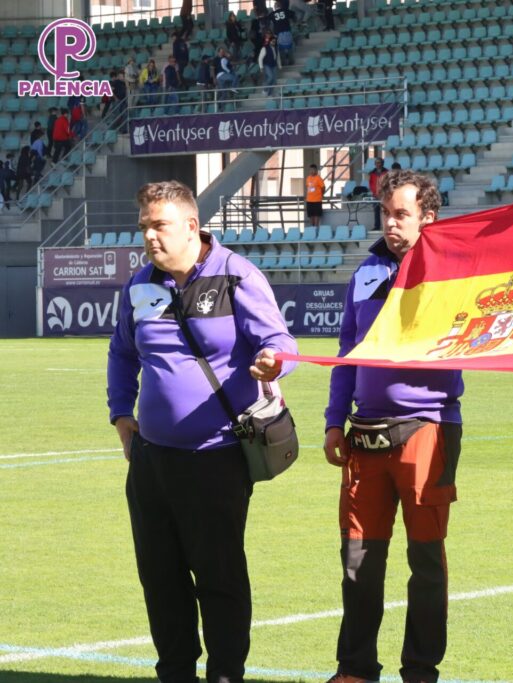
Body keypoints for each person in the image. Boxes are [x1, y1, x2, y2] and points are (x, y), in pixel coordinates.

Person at [107, 180, 296, 683]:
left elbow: (280, 341)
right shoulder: (139, 285)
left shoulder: (237, 274)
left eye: (160, 225)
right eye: (144, 226)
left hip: (217, 457)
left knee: (219, 577)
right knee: (160, 576)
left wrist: (273, 363)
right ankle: (174, 672)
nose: (149, 236)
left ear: (192, 225)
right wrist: (122, 415)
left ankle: (226, 674)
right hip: (151, 461)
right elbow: (122, 352)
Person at [323, 170, 462, 683]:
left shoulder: (452, 269)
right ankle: (355, 670)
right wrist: (335, 421)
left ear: (429, 218)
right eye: (386, 213)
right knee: (358, 559)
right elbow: (347, 352)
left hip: (428, 428)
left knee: (425, 562)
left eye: (402, 214)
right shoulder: (364, 271)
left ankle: (421, 671)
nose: (391, 223)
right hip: (364, 433)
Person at [271, 0, 295, 65]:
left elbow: (269, 22)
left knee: (281, 49)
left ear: (275, 6)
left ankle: (283, 62)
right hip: (287, 32)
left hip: (279, 33)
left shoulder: (272, 14)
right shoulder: (285, 11)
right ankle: (291, 61)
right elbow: (293, 14)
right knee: (289, 47)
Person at [368, 157, 387, 231]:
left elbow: (387, 183)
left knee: (385, 212)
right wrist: (374, 192)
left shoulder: (386, 172)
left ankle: (385, 226)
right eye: (376, 163)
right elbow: (371, 184)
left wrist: (383, 192)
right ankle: (377, 226)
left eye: (379, 163)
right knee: (376, 211)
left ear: (382, 163)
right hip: (375, 195)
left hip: (384, 195)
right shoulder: (372, 173)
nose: (378, 164)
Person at [305, 163, 325, 228]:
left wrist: (321, 194)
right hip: (309, 200)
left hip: (317, 200)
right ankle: (312, 227)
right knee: (311, 215)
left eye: (313, 170)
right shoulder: (308, 178)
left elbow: (323, 187)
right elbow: (307, 187)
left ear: (316, 170)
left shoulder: (319, 178)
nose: (312, 171)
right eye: (310, 170)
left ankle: (316, 228)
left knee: (316, 214)